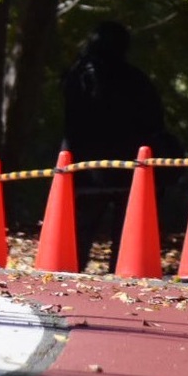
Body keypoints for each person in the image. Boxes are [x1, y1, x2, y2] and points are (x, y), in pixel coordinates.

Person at [61, 21, 177, 273]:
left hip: (86, 165)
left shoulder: (77, 75)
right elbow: (154, 120)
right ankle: (122, 274)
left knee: (80, 228)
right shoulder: (136, 79)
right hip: (130, 166)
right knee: (127, 229)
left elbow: (71, 119)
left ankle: (69, 271)